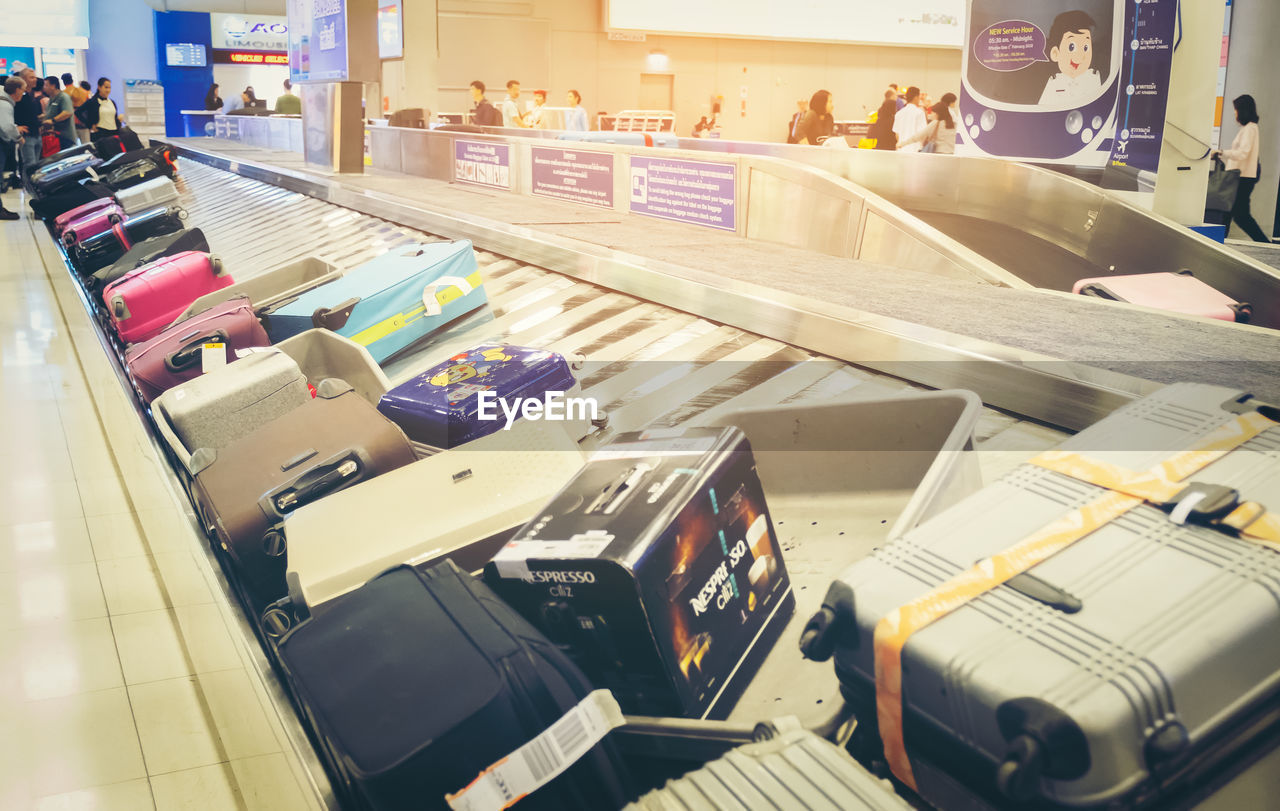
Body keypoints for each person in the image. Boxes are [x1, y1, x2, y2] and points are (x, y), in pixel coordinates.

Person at [1215, 95, 1274, 243]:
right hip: (1240, 176)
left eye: (1236, 110)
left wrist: (1222, 152)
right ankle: (1220, 241)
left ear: (1242, 110)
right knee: (1228, 212)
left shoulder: (1250, 129)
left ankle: (1264, 244)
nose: (1235, 113)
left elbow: (1243, 153)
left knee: (1240, 215)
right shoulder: (1248, 128)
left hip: (1243, 177)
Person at [1039, 11, 1103, 107]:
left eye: (1086, 48)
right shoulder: (1054, 82)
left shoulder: (1093, 77)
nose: (1081, 56)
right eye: (1071, 47)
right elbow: (1044, 108)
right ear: (1055, 54)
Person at [0, 76, 23, 217]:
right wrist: (18, 137)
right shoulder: (5, 104)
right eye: (23, 90)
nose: (23, 93)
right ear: (17, 90)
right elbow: (6, 126)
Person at [77, 77, 125, 141]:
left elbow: (114, 118)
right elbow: (78, 112)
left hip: (114, 133)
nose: (108, 90)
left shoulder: (112, 102)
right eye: (106, 87)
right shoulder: (93, 101)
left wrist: (119, 120)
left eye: (109, 88)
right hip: (100, 135)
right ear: (99, 87)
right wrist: (90, 125)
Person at [13, 69, 41, 172]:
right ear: (23, 79)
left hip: (36, 134)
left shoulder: (32, 95)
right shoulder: (19, 96)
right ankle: (28, 186)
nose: (35, 80)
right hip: (27, 136)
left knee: (36, 165)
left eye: (35, 77)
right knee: (30, 165)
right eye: (31, 77)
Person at [40, 76, 76, 150]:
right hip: (54, 137)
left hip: (65, 137)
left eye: (46, 85)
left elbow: (67, 113)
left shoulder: (63, 97)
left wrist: (52, 121)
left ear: (53, 86)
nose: (44, 87)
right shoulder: (51, 99)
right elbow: (50, 113)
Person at [893, 86, 927, 153]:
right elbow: (923, 134)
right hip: (915, 149)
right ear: (916, 97)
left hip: (901, 149)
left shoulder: (899, 113)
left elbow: (897, 134)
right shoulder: (920, 113)